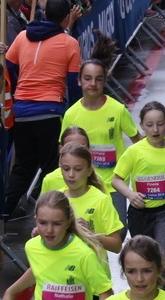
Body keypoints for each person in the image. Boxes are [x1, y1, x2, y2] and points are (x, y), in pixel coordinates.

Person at [2, 0, 81, 217]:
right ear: (67, 18)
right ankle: (54, 214)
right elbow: (74, 84)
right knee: (53, 169)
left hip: (22, 112)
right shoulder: (69, 43)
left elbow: (8, 67)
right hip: (49, 112)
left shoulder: (21, 36)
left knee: (23, 167)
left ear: (44, 13)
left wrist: (23, 86)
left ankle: (3, 213)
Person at [112, 101, 165, 292]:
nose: (155, 129)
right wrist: (130, 194)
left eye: (160, 124)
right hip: (139, 213)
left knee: (163, 254)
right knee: (144, 258)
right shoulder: (134, 151)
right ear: (142, 126)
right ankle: (146, 293)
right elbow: (116, 180)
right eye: (149, 125)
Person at [61, 55, 140, 218]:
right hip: (83, 184)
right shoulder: (70, 115)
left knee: (119, 232)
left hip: (113, 185)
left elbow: (138, 142)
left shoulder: (118, 110)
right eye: (88, 79)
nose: (93, 84)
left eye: (98, 79)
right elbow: (62, 151)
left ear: (104, 81)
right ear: (79, 81)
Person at [55, 142, 123, 252]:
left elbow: (116, 246)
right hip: (64, 267)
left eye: (78, 169)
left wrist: (90, 234)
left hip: (94, 267)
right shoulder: (56, 199)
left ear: (89, 171)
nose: (71, 174)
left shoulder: (101, 199)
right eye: (66, 169)